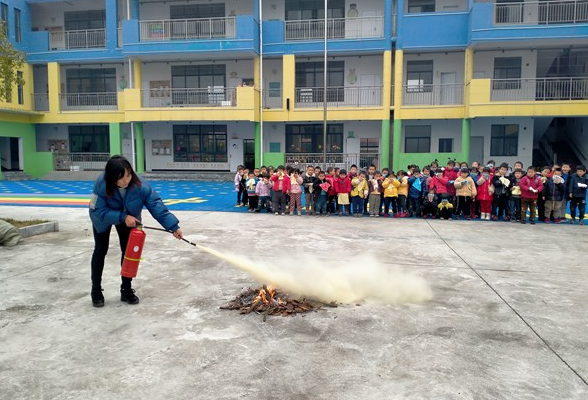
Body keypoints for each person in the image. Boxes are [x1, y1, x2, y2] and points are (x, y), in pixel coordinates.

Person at [89, 155, 183, 308]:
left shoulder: (140, 185)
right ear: (113, 179)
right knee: (100, 250)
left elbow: (156, 205)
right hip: (103, 219)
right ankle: (96, 290)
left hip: (130, 219)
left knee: (128, 252)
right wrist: (122, 216)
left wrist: (173, 226)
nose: (127, 180)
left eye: (129, 174)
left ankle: (126, 289)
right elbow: (98, 210)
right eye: (123, 178)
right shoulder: (101, 185)